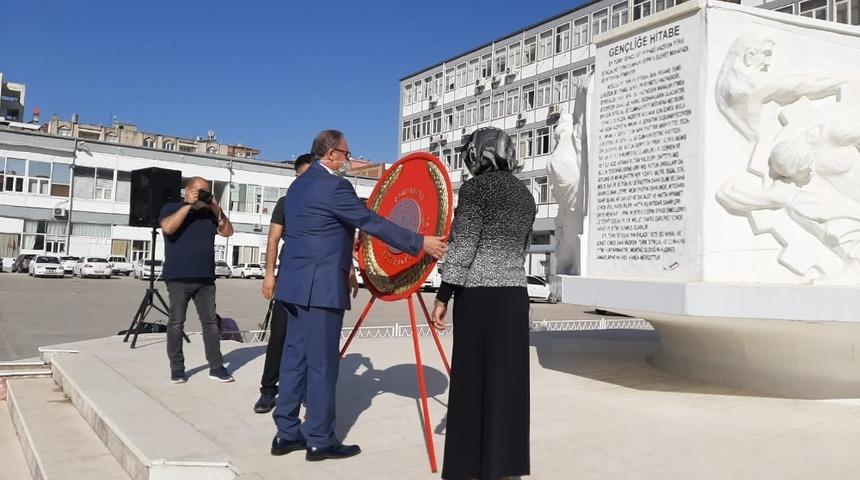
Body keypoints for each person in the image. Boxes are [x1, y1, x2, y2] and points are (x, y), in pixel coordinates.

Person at [270, 129, 447, 461]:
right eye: (347, 155)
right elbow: (370, 221)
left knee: (293, 360)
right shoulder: (335, 186)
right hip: (320, 289)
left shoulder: (297, 187)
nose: (348, 162)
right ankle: (320, 439)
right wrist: (420, 242)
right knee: (322, 366)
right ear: (332, 154)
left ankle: (285, 433)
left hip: (292, 287)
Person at [431, 127, 536, 480]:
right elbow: (521, 250)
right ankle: (504, 464)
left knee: (473, 380)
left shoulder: (477, 188)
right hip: (513, 295)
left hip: (480, 295)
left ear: (479, 153)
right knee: (508, 381)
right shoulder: (526, 194)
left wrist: (443, 296)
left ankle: (469, 465)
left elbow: (463, 245)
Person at [254, 153, 315, 413]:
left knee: (312, 339)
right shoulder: (286, 202)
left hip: (317, 281)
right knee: (279, 336)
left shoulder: (326, 202)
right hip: (290, 280)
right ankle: (268, 390)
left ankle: (306, 389)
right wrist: (270, 274)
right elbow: (273, 239)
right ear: (297, 177)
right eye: (305, 175)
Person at [159, 176, 235, 384]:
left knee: (210, 324)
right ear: (188, 190)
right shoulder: (171, 208)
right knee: (176, 323)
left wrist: (216, 208)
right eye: (200, 190)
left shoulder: (209, 213)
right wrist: (187, 206)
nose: (203, 194)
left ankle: (217, 367)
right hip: (178, 276)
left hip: (205, 278)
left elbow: (228, 232)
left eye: (206, 191)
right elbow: (168, 228)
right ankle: (177, 369)